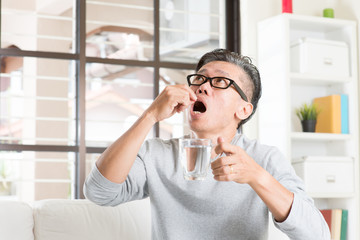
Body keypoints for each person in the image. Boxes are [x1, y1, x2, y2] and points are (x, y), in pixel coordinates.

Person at [84, 49, 330, 239]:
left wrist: (257, 176)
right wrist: (149, 116)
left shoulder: (265, 159)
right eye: (199, 79)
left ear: (244, 109)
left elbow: (317, 235)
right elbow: (99, 193)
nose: (202, 86)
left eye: (220, 82)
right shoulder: (156, 154)